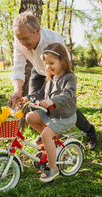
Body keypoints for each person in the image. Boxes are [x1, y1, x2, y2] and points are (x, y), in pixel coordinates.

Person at [8, 11, 97, 150]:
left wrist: (55, 96)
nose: (22, 43)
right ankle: (50, 135)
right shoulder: (19, 38)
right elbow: (18, 66)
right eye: (19, 38)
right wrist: (18, 90)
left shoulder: (53, 40)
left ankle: (89, 129)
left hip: (59, 68)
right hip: (38, 69)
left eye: (25, 38)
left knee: (61, 104)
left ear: (37, 31)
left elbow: (65, 68)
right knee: (32, 103)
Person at [21, 43, 76, 182]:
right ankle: (50, 143)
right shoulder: (51, 78)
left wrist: (52, 101)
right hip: (51, 114)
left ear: (62, 61)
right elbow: (40, 93)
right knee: (30, 117)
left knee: (46, 134)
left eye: (51, 63)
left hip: (64, 117)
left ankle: (53, 168)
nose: (48, 67)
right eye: (46, 63)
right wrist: (28, 97)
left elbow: (68, 94)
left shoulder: (69, 78)